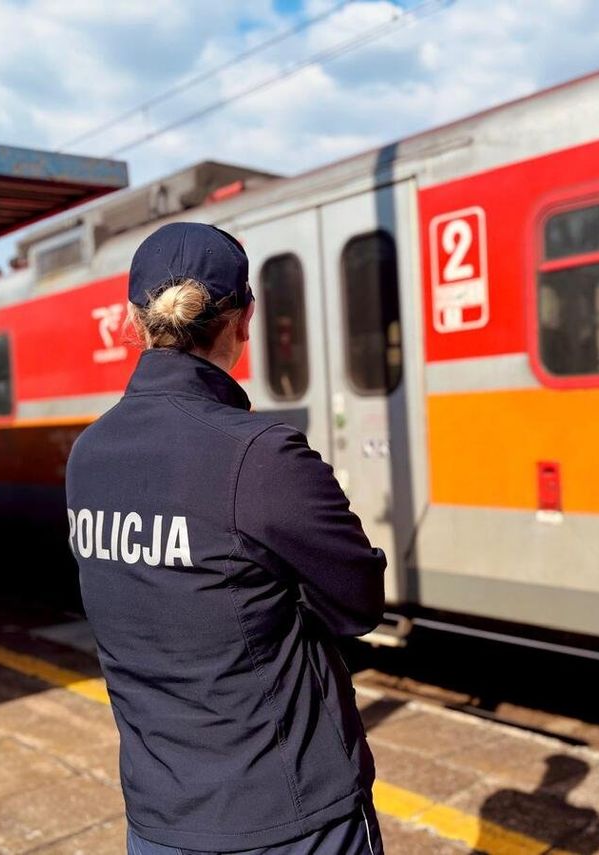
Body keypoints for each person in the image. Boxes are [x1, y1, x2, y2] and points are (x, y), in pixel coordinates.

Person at [64, 222, 388, 855]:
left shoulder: (87, 454)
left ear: (135, 319)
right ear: (244, 321)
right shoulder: (262, 456)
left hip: (160, 819)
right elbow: (358, 604)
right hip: (291, 819)